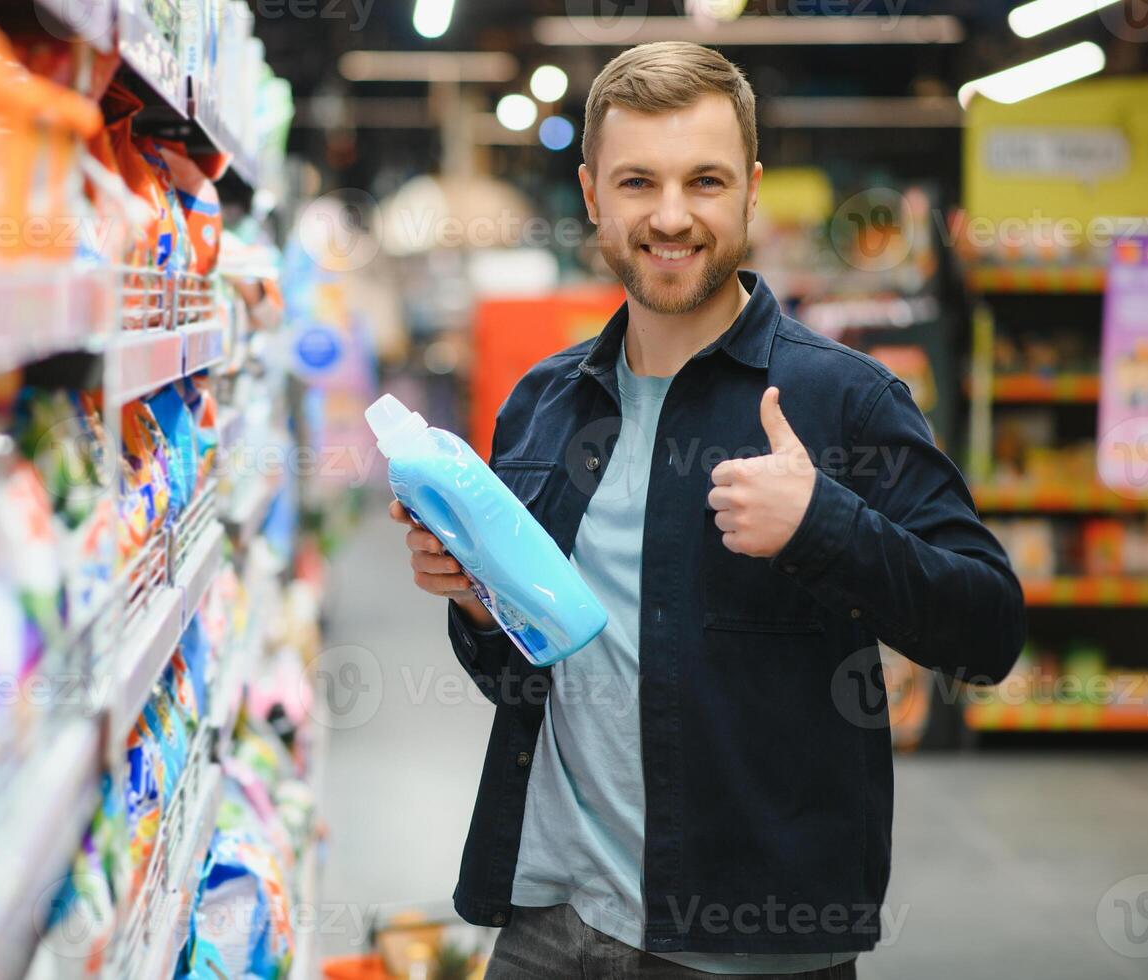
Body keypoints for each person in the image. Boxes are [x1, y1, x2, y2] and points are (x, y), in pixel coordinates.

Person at [390, 41, 1025, 979]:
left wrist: (824, 524)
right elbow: (524, 675)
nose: (672, 215)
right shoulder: (542, 404)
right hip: (546, 922)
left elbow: (989, 631)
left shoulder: (843, 401)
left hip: (745, 944)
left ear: (750, 191)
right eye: (639, 181)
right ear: (593, 194)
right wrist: (481, 607)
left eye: (706, 180)